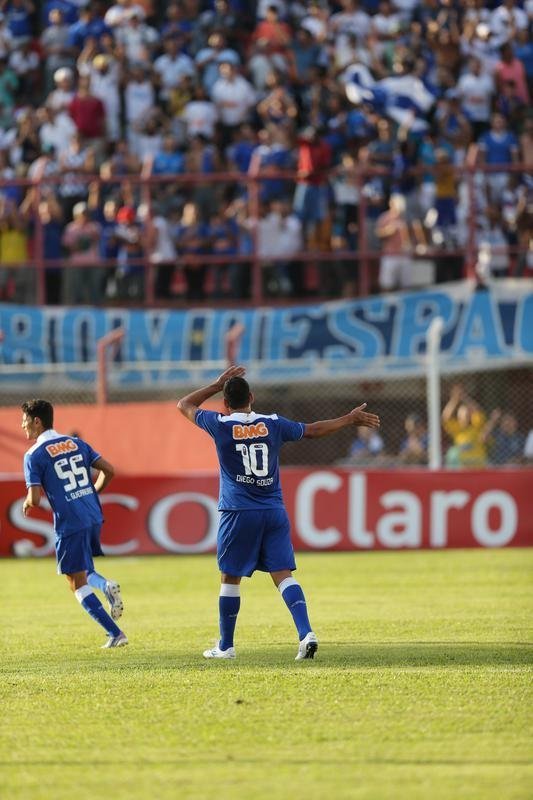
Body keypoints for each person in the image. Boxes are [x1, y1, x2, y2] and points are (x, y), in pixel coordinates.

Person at [177, 364, 380, 661]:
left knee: (230, 577)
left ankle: (226, 646)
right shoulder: (272, 423)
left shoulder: (218, 423)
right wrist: (349, 419)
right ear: (252, 397)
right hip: (273, 510)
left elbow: (184, 405)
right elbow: (313, 430)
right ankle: (306, 633)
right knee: (283, 575)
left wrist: (215, 383)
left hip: (238, 511)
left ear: (224, 402)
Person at [21, 398, 127, 649]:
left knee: (74, 581)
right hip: (93, 514)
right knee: (83, 569)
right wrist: (92, 493)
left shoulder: (33, 455)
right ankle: (105, 585)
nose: (22, 425)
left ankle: (115, 633)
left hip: (70, 521)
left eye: (24, 420)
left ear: (37, 421)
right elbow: (109, 470)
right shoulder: (76, 443)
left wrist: (26, 502)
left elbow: (35, 499)